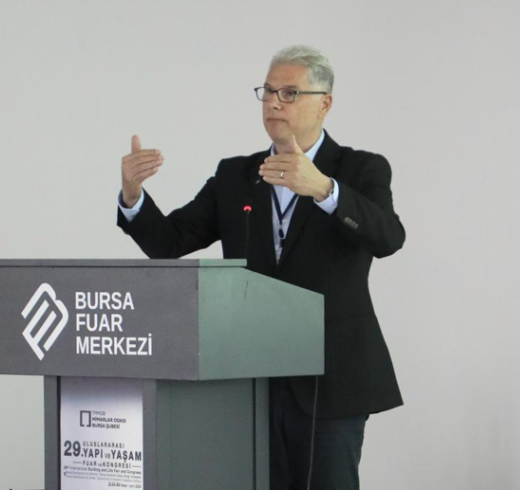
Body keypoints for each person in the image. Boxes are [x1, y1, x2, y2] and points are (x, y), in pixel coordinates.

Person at [117, 45, 405, 490]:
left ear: (324, 103)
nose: (273, 102)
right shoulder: (235, 176)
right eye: (268, 91)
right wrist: (133, 196)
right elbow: (169, 242)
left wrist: (324, 189)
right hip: (251, 379)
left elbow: (388, 238)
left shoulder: (359, 168)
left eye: (289, 93)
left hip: (331, 377)